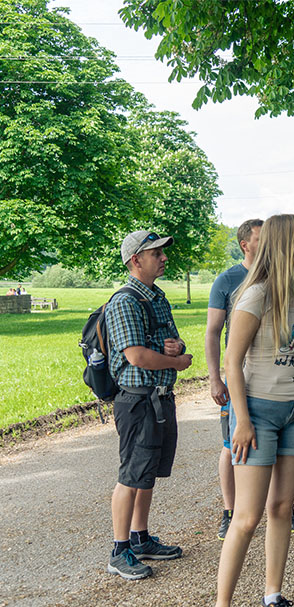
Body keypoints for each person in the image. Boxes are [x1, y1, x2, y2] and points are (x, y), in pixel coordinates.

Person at [207, 214, 294, 607]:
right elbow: (232, 362)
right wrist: (244, 420)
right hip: (258, 415)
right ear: (290, 246)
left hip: (293, 412)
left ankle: (271, 599)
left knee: (282, 509)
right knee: (247, 517)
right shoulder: (253, 295)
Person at [206, 219, 294, 541]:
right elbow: (214, 333)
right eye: (260, 239)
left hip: (287, 393)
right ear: (245, 245)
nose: (267, 244)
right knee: (232, 443)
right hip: (249, 384)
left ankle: (279, 508)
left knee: (278, 493)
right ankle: (230, 510)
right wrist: (215, 379)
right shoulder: (232, 282)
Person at [104, 230, 193, 580]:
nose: (163, 258)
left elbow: (172, 337)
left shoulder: (156, 296)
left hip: (158, 398)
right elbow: (136, 356)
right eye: (156, 253)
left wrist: (176, 348)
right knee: (130, 474)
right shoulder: (125, 301)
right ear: (135, 260)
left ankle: (140, 539)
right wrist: (175, 362)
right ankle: (119, 549)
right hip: (137, 401)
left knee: (147, 472)